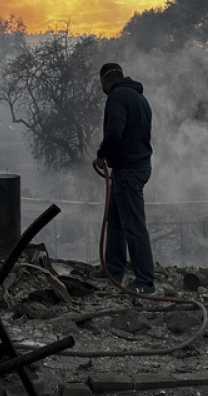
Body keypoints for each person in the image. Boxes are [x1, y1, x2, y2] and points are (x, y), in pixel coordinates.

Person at [93, 62, 156, 294]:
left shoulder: (117, 97)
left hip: (129, 169)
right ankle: (113, 268)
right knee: (116, 221)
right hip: (136, 165)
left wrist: (101, 155)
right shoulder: (140, 99)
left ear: (104, 80)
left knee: (133, 225)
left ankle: (145, 281)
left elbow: (114, 131)